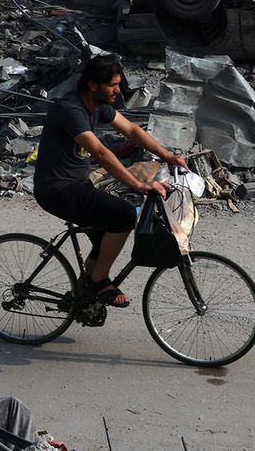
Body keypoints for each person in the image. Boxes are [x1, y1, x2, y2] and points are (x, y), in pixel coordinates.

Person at [32, 55, 188, 308]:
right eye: (113, 84)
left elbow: (133, 131)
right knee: (124, 215)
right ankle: (98, 280)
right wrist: (139, 185)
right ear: (94, 85)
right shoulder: (70, 109)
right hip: (57, 189)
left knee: (107, 232)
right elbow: (101, 153)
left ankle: (82, 295)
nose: (118, 90)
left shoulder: (98, 105)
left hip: (77, 184)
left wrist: (169, 156)